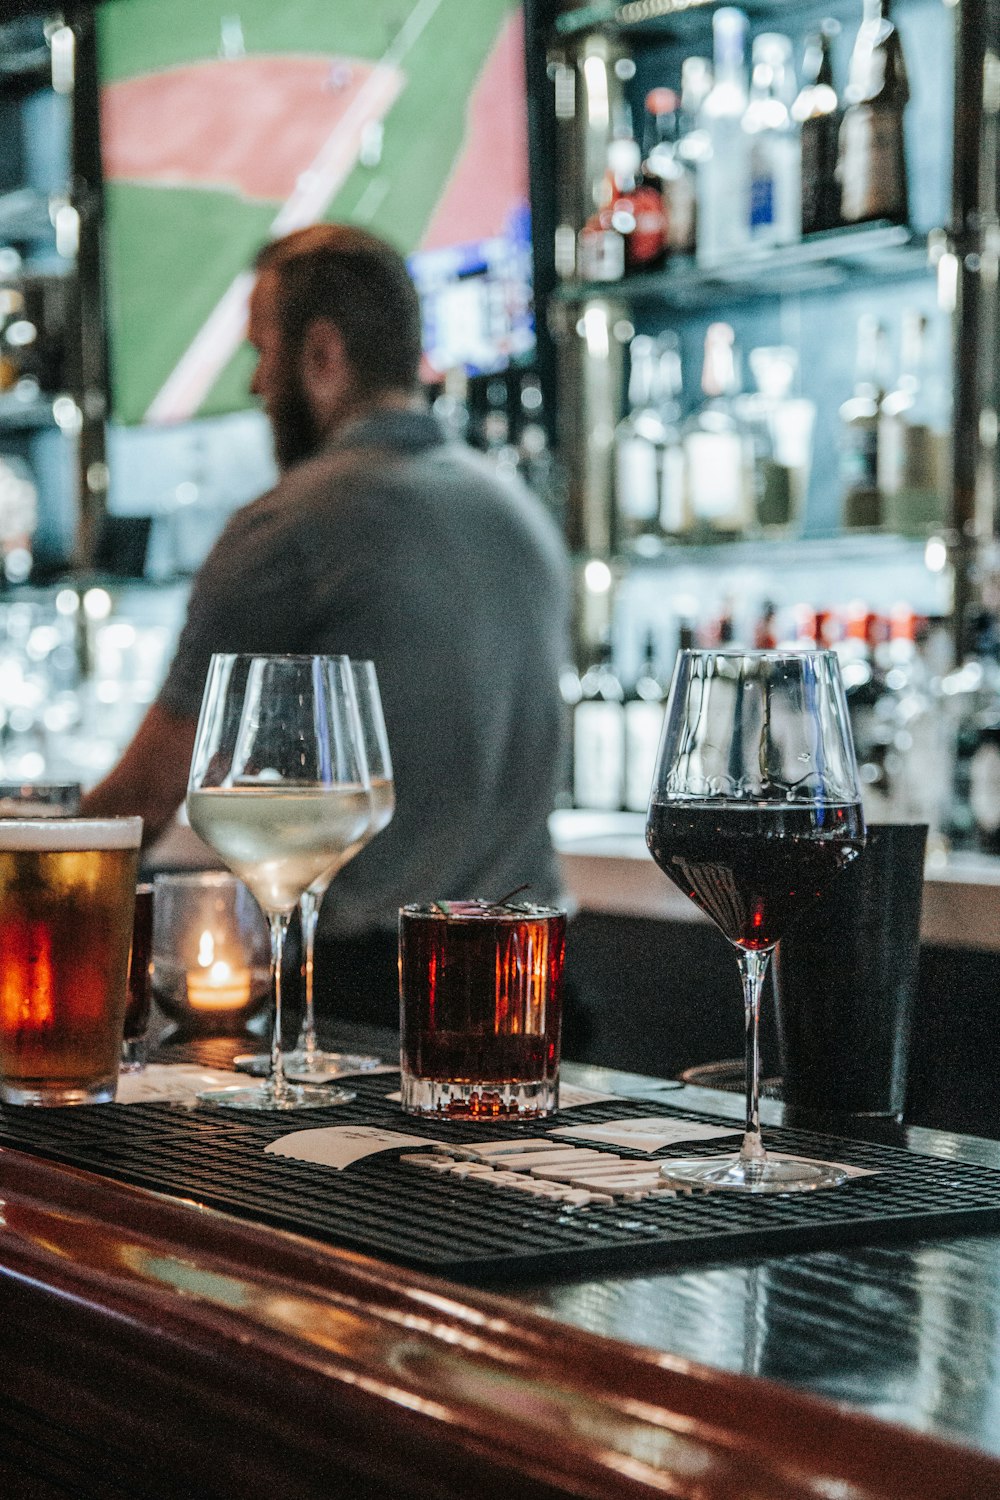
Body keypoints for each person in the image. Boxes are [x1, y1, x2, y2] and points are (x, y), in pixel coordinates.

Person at [81, 223, 572, 1025]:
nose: (256, 383)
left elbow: (144, 797)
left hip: (372, 1004)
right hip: (536, 986)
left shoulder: (288, 526)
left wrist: (30, 871)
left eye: (262, 351)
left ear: (322, 354)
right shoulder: (519, 511)